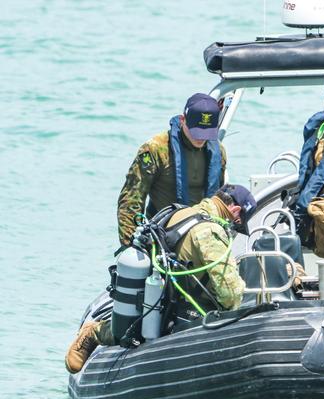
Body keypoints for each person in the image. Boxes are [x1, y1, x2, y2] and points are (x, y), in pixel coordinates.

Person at [65, 184, 256, 374]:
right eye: (238, 223)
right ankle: (93, 331)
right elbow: (231, 296)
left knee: (140, 327)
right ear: (235, 210)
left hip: (163, 303)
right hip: (186, 313)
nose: (234, 229)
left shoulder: (182, 212)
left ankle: (96, 332)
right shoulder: (211, 232)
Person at [117, 93, 228, 246]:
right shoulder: (155, 149)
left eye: (206, 133)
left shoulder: (218, 152)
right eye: (196, 131)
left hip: (203, 232)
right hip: (164, 234)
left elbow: (220, 197)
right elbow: (131, 200)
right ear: (183, 120)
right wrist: (130, 245)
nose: (201, 138)